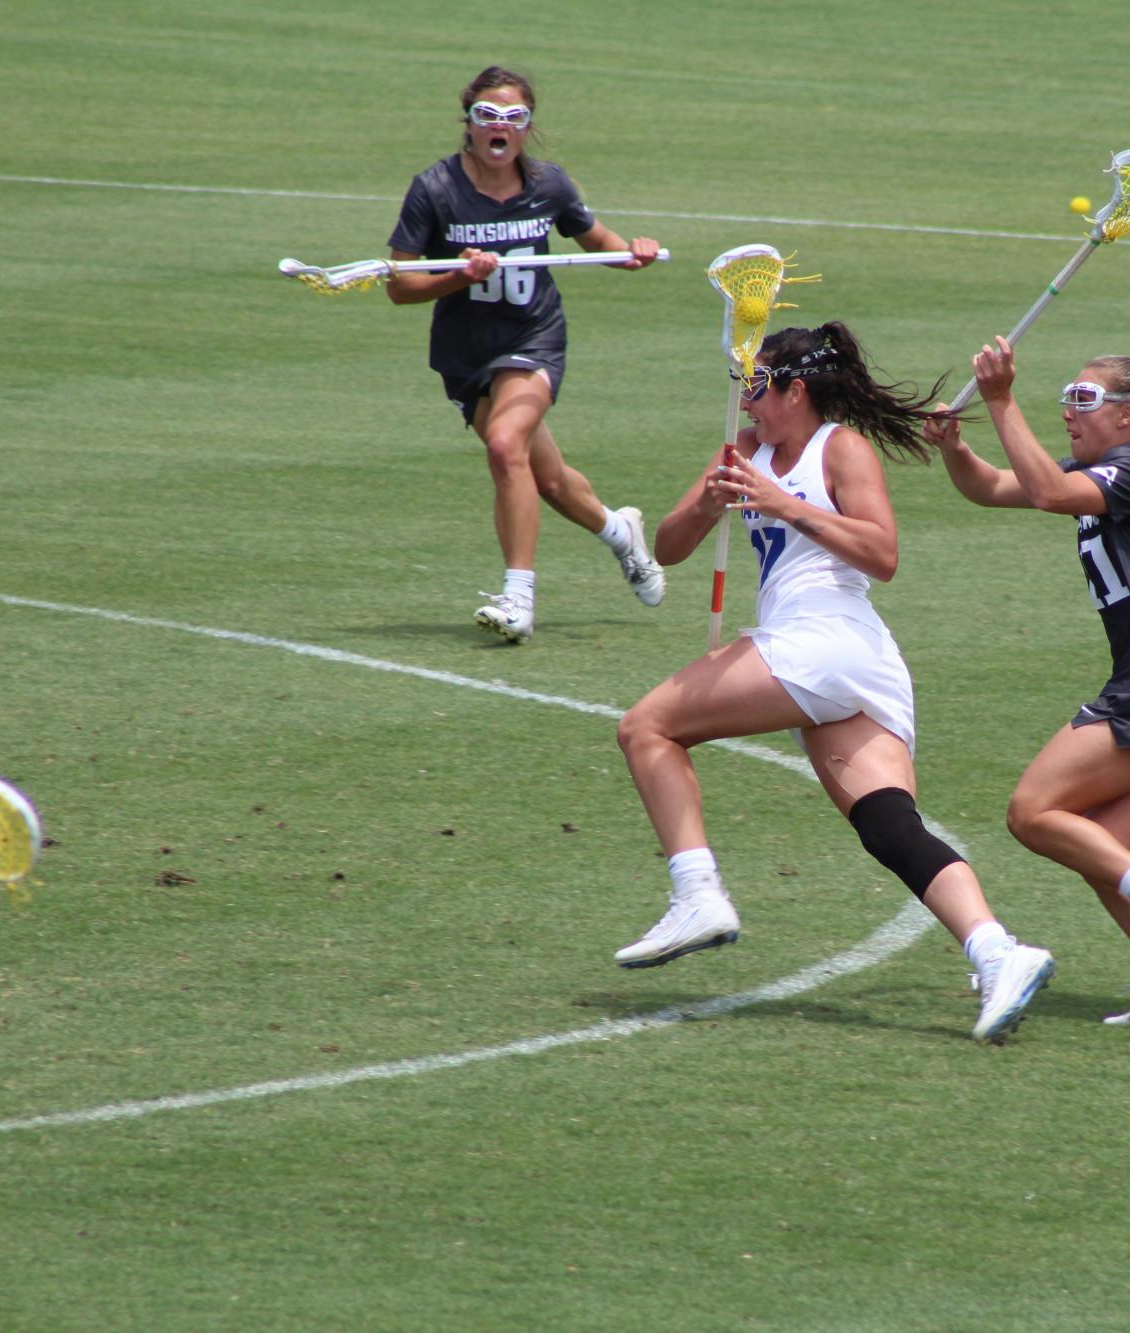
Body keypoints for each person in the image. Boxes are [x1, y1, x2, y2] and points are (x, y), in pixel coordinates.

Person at [613, 322, 1056, 1043]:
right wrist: (710, 500)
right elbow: (667, 546)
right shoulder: (745, 449)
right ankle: (1000, 952)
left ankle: (698, 894)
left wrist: (784, 503)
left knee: (647, 727)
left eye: (759, 387)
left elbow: (882, 553)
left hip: (827, 642)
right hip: (829, 662)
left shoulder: (839, 448)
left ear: (797, 389)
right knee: (889, 827)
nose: (748, 401)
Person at [925, 335, 1130, 1029]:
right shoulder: (1101, 469)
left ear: (1127, 415)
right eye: (1065, 398)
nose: (1068, 411)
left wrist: (1001, 399)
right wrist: (954, 446)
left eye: (1083, 399)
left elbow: (1046, 490)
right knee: (1100, 850)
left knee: (1032, 812)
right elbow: (994, 487)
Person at [386, 65, 666, 644]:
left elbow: (597, 243)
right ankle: (621, 532)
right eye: (488, 115)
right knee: (550, 480)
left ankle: (518, 598)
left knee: (505, 444)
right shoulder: (434, 189)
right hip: (466, 355)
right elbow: (400, 285)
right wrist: (456, 277)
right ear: (468, 122)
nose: (500, 127)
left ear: (527, 127)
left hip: (533, 339)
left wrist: (632, 252)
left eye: (513, 118)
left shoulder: (548, 185)